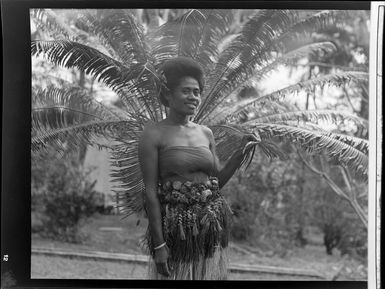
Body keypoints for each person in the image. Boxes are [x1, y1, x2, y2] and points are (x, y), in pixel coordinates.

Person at [138, 57, 258, 280]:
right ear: (168, 94)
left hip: (208, 228)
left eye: (196, 92)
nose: (193, 97)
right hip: (176, 232)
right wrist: (159, 244)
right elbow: (151, 194)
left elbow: (216, 182)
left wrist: (241, 151)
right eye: (186, 91)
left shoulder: (206, 133)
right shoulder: (153, 133)